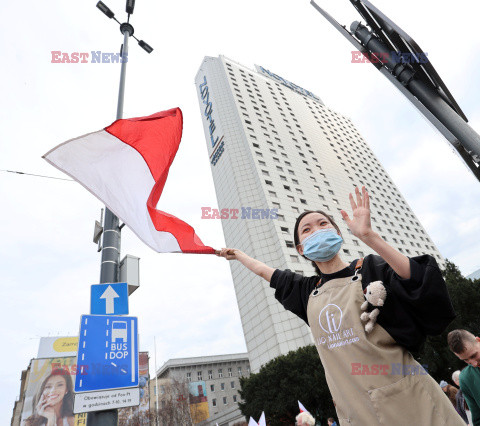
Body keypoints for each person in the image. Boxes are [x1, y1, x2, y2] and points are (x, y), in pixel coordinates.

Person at [217, 186, 464, 425]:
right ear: (301, 250)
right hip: (356, 413)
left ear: (338, 233)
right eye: (307, 229)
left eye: (323, 224)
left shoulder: (370, 268)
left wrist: (369, 236)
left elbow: (417, 280)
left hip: (413, 401)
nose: (316, 230)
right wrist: (238, 255)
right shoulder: (306, 293)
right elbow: (265, 272)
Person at [448, 329, 480, 425]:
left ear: (478, 340)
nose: (473, 363)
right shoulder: (466, 378)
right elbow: (477, 419)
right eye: (466, 360)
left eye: (474, 355)